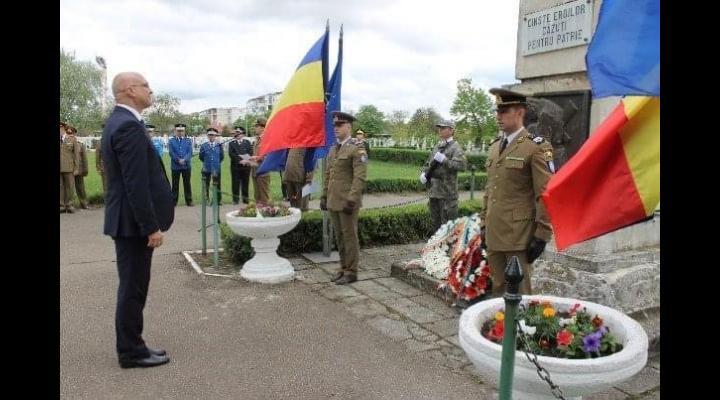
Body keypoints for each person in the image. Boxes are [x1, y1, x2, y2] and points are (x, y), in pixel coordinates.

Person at [103, 72, 174, 368]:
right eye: (146, 85)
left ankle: (134, 344)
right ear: (130, 90)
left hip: (128, 222)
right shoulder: (128, 126)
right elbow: (136, 183)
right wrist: (151, 227)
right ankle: (131, 351)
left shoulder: (120, 122)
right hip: (133, 225)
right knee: (133, 287)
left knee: (133, 286)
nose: (151, 89)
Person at [482, 88, 555, 296]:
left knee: (519, 292)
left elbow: (546, 193)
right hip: (494, 230)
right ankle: (499, 328)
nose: (498, 116)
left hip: (519, 235)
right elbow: (491, 188)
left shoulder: (536, 147)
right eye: (497, 111)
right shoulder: (495, 147)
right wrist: (483, 223)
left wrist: (542, 235)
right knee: (497, 288)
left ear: (520, 113)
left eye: (504, 111)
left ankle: (518, 328)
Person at [320, 111, 368, 285]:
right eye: (335, 125)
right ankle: (343, 267)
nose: (336, 128)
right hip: (334, 200)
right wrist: (324, 196)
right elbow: (328, 174)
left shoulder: (357, 148)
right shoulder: (334, 148)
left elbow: (359, 177)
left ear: (349, 126)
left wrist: (352, 199)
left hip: (348, 201)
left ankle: (352, 271)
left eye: (339, 125)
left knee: (349, 237)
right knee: (339, 237)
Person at [420, 119, 467, 233]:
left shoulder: (456, 148)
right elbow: (429, 162)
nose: (440, 130)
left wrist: (445, 160)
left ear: (451, 130)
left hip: (447, 193)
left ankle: (448, 250)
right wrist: (423, 173)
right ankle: (436, 248)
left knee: (448, 227)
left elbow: (462, 166)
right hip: (434, 191)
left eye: (443, 128)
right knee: (435, 223)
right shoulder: (438, 146)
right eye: (439, 128)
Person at [245, 117, 271, 203]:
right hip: (255, 171)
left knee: (264, 198)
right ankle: (259, 215)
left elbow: (269, 156)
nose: (255, 128)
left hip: (263, 172)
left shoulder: (267, 139)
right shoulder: (257, 139)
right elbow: (256, 154)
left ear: (263, 128)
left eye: (256, 126)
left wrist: (256, 158)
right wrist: (249, 160)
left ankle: (266, 215)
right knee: (257, 198)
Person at [168, 123, 193, 206]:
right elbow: (171, 153)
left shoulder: (188, 141)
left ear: (184, 131)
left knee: (187, 184)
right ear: (175, 131)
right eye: (178, 131)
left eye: (182, 131)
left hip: (186, 166)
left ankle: (189, 201)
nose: (180, 132)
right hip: (175, 166)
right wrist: (178, 160)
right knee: (175, 185)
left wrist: (184, 159)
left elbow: (190, 152)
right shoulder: (171, 141)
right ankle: (174, 201)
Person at [198, 127, 225, 204]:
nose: (211, 136)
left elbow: (222, 156)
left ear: (215, 136)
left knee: (217, 184)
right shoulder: (203, 146)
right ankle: (206, 199)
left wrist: (215, 163)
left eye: (213, 135)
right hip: (206, 168)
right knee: (205, 184)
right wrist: (207, 162)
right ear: (207, 136)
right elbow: (201, 157)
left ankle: (217, 200)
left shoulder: (219, 145)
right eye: (210, 135)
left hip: (216, 168)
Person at [66, 126, 90, 209]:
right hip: (67, 169)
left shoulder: (80, 144)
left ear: (75, 133)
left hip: (79, 170)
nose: (70, 134)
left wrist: (85, 170)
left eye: (71, 133)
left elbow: (84, 159)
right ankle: (69, 205)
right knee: (68, 188)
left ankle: (84, 203)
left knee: (80, 187)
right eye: (68, 133)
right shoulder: (63, 143)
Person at [228, 126, 253, 204]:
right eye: (236, 133)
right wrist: (240, 161)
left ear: (243, 134)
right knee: (235, 183)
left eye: (239, 133)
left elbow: (250, 152)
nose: (237, 134)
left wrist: (245, 160)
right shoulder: (231, 143)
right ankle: (235, 200)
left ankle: (245, 199)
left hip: (246, 166)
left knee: (245, 182)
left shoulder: (247, 142)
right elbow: (231, 154)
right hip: (235, 166)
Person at [60, 122, 81, 213]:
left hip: (69, 167)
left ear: (64, 129)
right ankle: (61, 205)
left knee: (70, 186)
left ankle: (70, 204)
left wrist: (76, 168)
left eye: (60, 128)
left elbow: (76, 155)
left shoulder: (72, 139)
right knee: (60, 187)